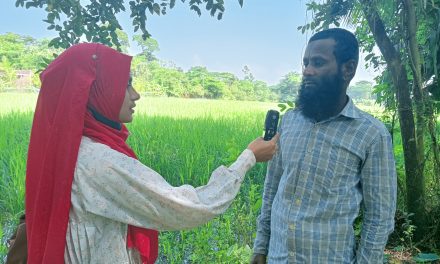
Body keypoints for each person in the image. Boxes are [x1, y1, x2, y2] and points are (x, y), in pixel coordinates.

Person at [24, 43, 279, 264]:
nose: (136, 95)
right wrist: (248, 158)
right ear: (95, 92)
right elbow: (188, 207)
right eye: (126, 84)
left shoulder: (68, 151)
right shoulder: (98, 162)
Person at [251, 28, 397, 263]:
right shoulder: (290, 121)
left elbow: (379, 218)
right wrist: (261, 248)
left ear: (347, 69)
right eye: (306, 63)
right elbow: (272, 190)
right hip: (277, 257)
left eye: (318, 63)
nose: (307, 71)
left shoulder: (371, 134)